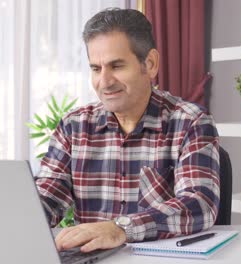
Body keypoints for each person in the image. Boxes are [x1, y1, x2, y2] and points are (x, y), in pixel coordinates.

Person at [35, 8, 220, 253]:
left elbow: (200, 204)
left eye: (117, 66)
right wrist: (13, 218)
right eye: (96, 69)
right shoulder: (73, 127)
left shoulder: (191, 122)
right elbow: (47, 198)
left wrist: (121, 228)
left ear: (150, 64)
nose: (105, 81)